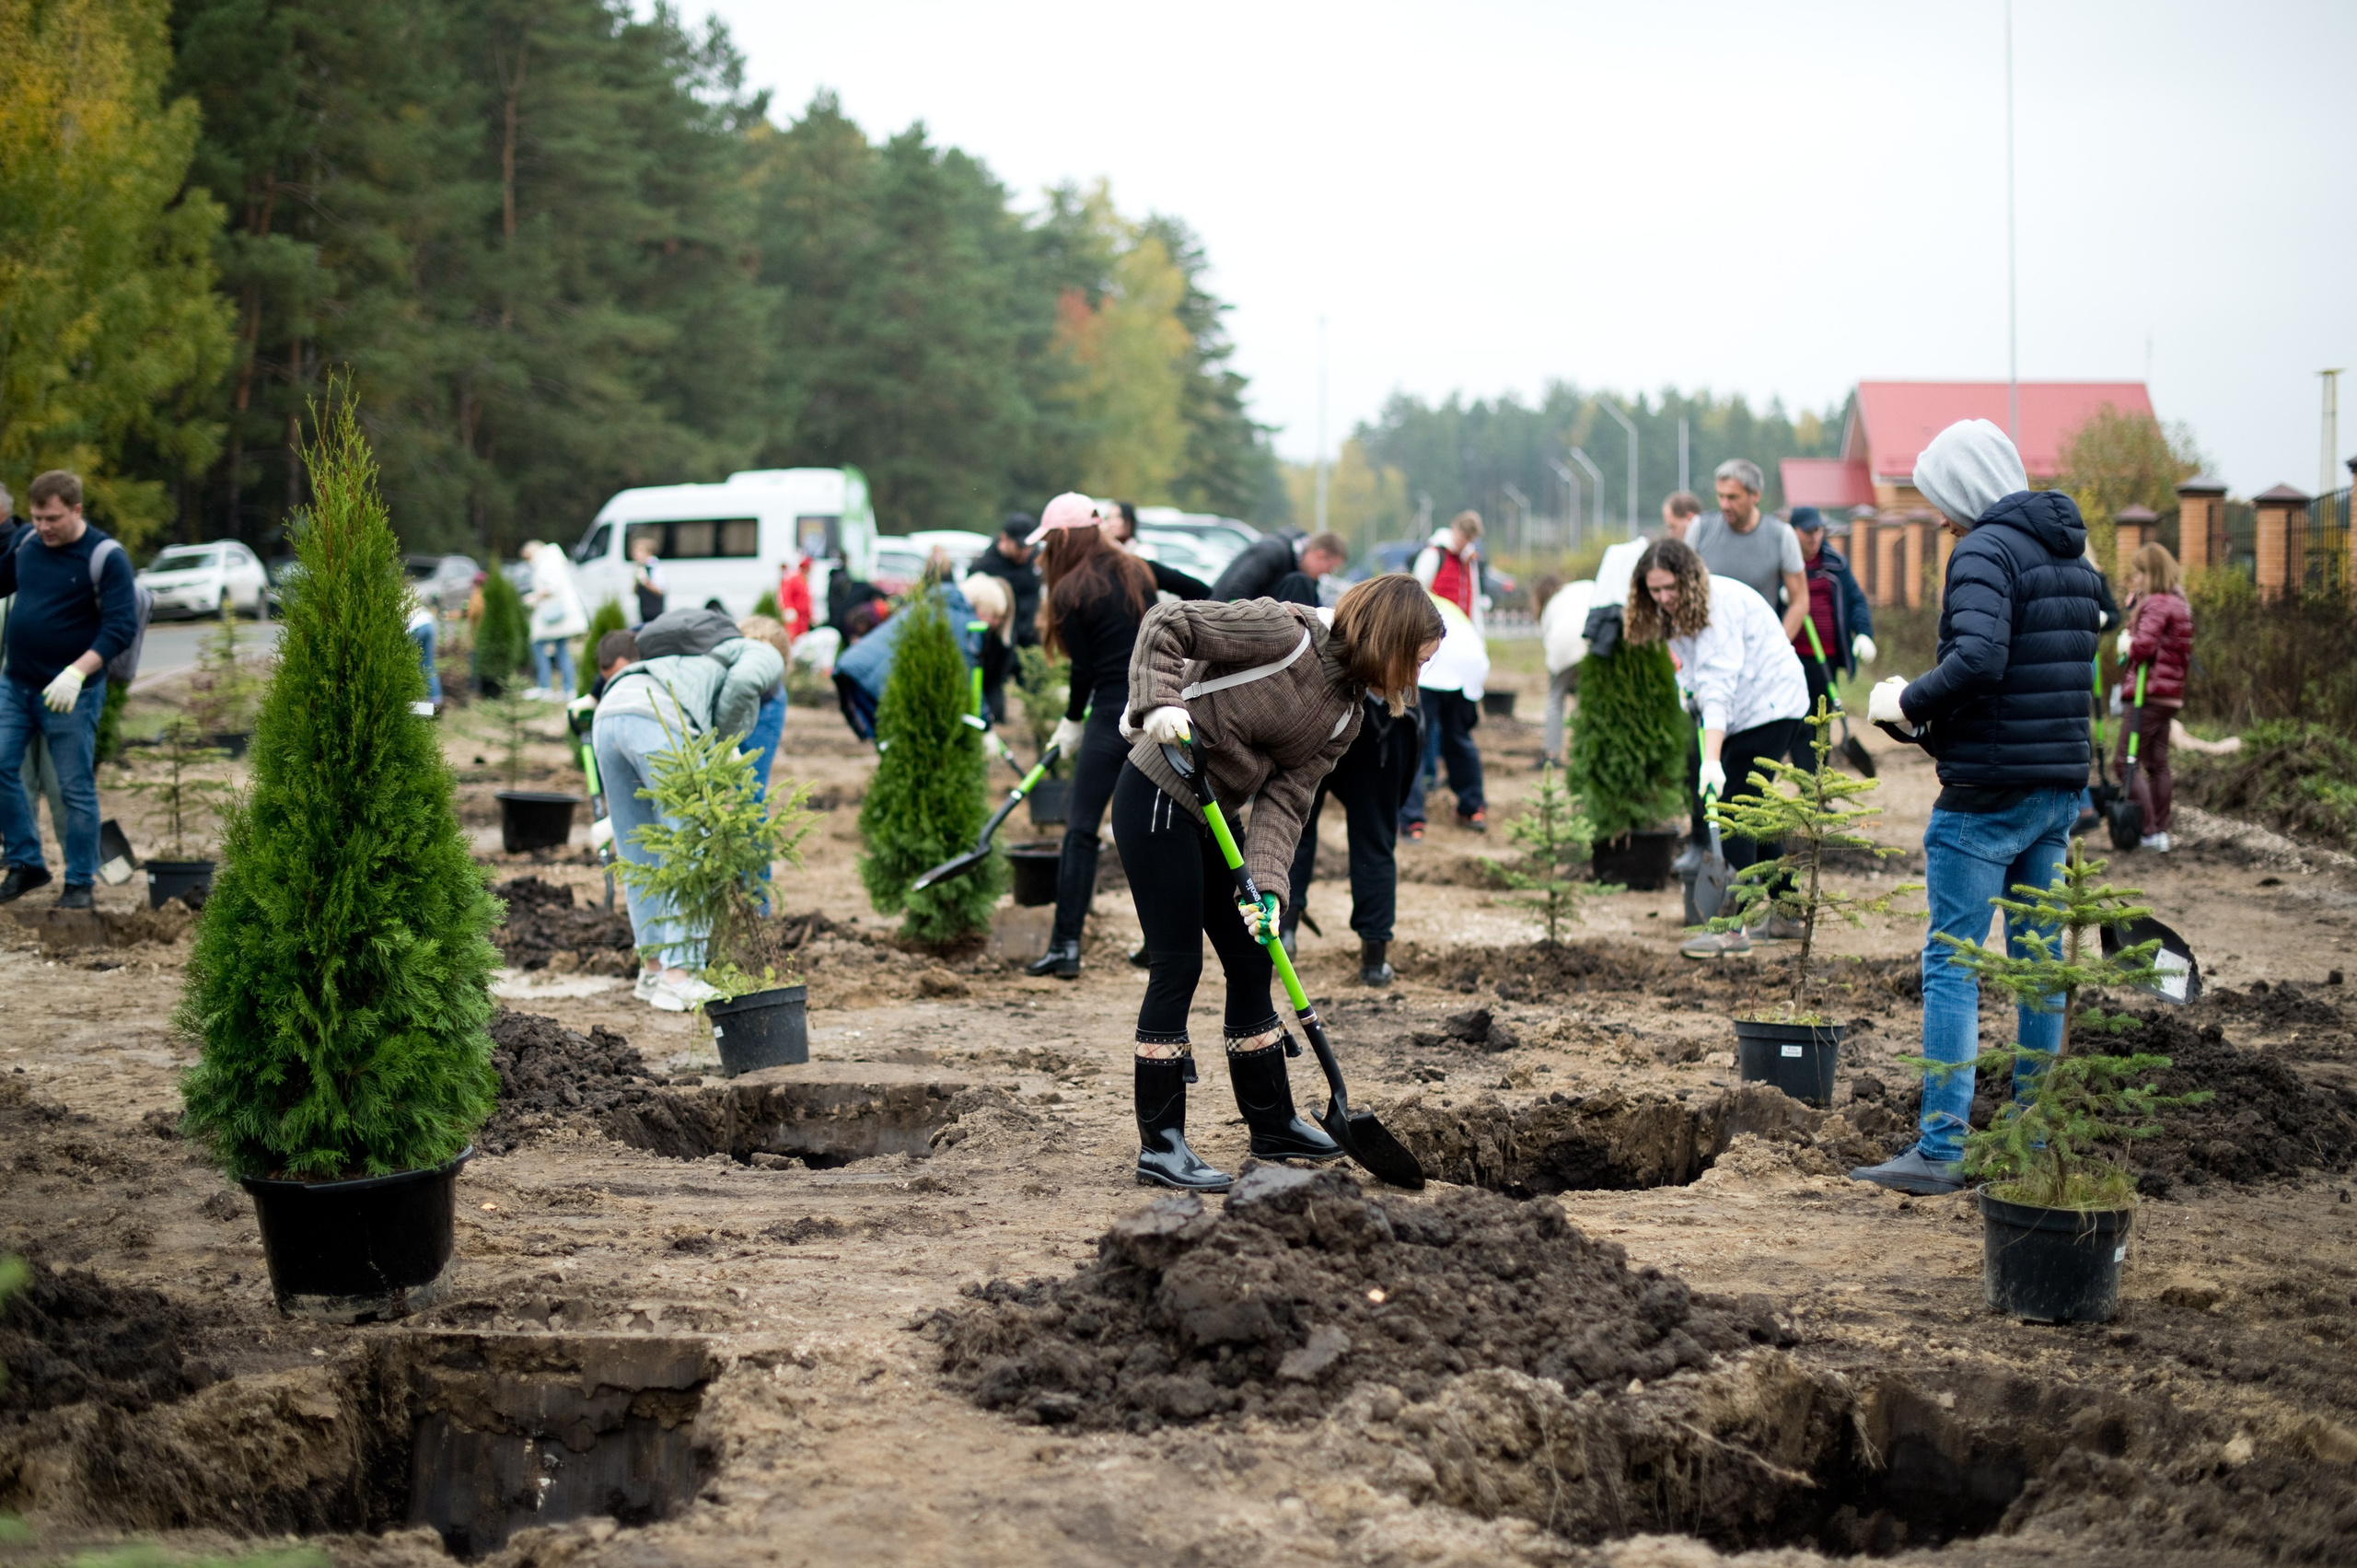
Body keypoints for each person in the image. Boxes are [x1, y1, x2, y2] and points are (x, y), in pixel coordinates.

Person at [1115, 575, 1444, 1191]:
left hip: (1217, 813)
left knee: (1250, 956)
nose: (1412, 680)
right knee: (1178, 965)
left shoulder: (1348, 714)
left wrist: (1268, 889)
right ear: (1388, 639)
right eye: (1413, 662)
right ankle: (1160, 1144)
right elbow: (1167, 622)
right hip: (1160, 791)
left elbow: (1288, 803)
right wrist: (1161, 702)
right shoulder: (1285, 633)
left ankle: (1272, 1120)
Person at [1850, 419, 2106, 1196]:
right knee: (2033, 964)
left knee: (1953, 960)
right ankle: (2031, 1135)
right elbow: (2089, 630)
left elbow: (1981, 658)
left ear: (1966, 488)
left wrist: (1904, 701)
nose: (1938, 518)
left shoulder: (1985, 551)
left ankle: (1942, 1146)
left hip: (1987, 793)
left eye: (1941, 498)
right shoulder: (2069, 549)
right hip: (2056, 786)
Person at [1024, 494, 1210, 980]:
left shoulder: (1069, 590)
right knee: (1168, 824)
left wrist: (1070, 721)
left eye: (1047, 541)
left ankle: (1066, 947)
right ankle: (1160, 942)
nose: (1044, 551)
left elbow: (1084, 670)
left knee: (1082, 829)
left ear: (1063, 537)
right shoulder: (1138, 569)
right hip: (1157, 710)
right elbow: (1203, 590)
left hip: (1110, 712)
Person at [1622, 538, 1811, 960]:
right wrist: (1686, 691)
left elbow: (1720, 686)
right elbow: (1692, 670)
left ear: (1687, 579)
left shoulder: (1717, 607)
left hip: (1771, 703)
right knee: (1753, 807)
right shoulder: (1674, 611)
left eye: (1670, 588)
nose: (1664, 598)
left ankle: (1733, 928)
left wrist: (1710, 759)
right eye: (1654, 591)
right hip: (1744, 707)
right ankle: (1787, 914)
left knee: (1734, 809)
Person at [591, 621, 784, 1012]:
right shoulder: (757, 651)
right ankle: (679, 976)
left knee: (638, 850)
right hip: (656, 720)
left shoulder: (687, 662)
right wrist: (721, 739)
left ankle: (653, 968)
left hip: (609, 714)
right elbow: (747, 682)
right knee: (692, 847)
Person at [0, 471, 139, 910]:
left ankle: (80, 882)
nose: (43, 527)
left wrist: (77, 672)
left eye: (52, 518)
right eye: (38, 517)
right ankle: (26, 862)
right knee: (1, 766)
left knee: (72, 786)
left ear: (76, 510)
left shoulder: (104, 557)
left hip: (72, 692)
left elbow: (120, 626)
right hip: (17, 685)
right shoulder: (27, 546)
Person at [831, 576, 981, 742]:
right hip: (868, 674)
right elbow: (964, 667)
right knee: (892, 738)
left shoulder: (926, 607)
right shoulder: (958, 619)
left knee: (886, 738)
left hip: (855, 666)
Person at [2116, 541, 2193, 853]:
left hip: (2147, 695)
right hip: (2169, 694)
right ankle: (2159, 831)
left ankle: (2148, 830)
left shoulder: (2157, 603)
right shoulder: (2178, 602)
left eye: (2139, 572)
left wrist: (2126, 643)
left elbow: (2143, 647)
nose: (2136, 578)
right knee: (2157, 763)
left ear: (2151, 572)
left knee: (2124, 762)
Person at [1784, 507, 1876, 761]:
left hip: (1827, 659)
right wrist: (1783, 601)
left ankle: (1820, 791)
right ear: (1794, 532)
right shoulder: (1783, 564)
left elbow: (1856, 600)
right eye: (1808, 532)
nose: (1815, 537)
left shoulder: (1835, 564)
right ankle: (1808, 791)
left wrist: (1863, 634)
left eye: (1819, 530)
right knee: (1801, 721)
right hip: (1793, 658)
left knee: (1822, 722)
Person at [1399, 592, 1489, 836]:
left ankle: (1412, 820)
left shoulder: (1408, 599)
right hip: (1470, 664)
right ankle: (1473, 808)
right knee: (1459, 737)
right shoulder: (1444, 602)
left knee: (1414, 742)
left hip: (1432, 665)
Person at [1689, 459, 1807, 640]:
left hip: (1757, 644)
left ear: (1755, 496)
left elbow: (1800, 600)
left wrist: (1777, 645)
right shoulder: (1700, 528)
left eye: (1733, 497)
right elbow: (1681, 588)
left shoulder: (1781, 535)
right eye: (1720, 496)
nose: (1724, 505)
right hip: (1708, 644)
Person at [1536, 573, 1596, 766]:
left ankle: (1551, 755)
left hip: (1564, 645)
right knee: (1590, 699)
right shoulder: (1582, 586)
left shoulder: (1550, 606)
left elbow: (1549, 638)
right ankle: (1588, 751)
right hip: (1594, 639)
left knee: (1556, 697)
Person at [1109, 500, 1222, 598]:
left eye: (1118, 517)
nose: (1111, 523)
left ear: (1129, 521)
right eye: (1109, 518)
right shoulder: (1109, 552)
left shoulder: (1143, 550)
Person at [520, 540, 588, 698]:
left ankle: (547, 687)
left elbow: (553, 586)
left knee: (538, 645)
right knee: (561, 649)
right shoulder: (552, 559)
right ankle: (566, 688)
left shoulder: (546, 563)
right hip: (559, 615)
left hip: (554, 615)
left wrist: (534, 597)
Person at [736, 614, 795, 799]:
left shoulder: (771, 697)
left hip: (767, 706)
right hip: (740, 704)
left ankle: (754, 826)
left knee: (751, 789)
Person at [1212, 528, 1347, 603]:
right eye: (1331, 567)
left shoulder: (1300, 572)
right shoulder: (1273, 552)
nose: (1328, 573)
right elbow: (1236, 591)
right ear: (1320, 554)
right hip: (1218, 616)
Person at [965, 516, 1042, 647]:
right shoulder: (984, 566)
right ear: (1004, 538)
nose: (1025, 552)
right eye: (1020, 546)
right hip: (998, 644)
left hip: (1030, 641)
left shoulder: (1034, 561)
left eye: (1030, 547)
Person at [957, 572, 1016, 724]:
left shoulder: (998, 637)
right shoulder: (968, 631)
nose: (993, 622)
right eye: (993, 615)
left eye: (999, 617)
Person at [1412, 511, 1483, 618]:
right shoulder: (1433, 554)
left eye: (1468, 540)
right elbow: (1418, 590)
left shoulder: (1469, 561)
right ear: (1454, 529)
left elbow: (1474, 599)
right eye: (1462, 538)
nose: (1464, 543)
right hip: (1437, 624)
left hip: (1462, 624)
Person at [629, 536, 667, 623]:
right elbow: (635, 591)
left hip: (654, 612)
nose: (635, 555)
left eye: (638, 551)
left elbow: (660, 590)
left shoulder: (655, 567)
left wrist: (645, 581)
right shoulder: (640, 567)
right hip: (644, 610)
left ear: (648, 553)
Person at [778, 553, 815, 642]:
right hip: (795, 617)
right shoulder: (793, 579)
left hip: (804, 618)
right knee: (792, 638)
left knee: (803, 640)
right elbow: (786, 595)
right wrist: (788, 609)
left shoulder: (804, 579)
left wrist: (811, 615)